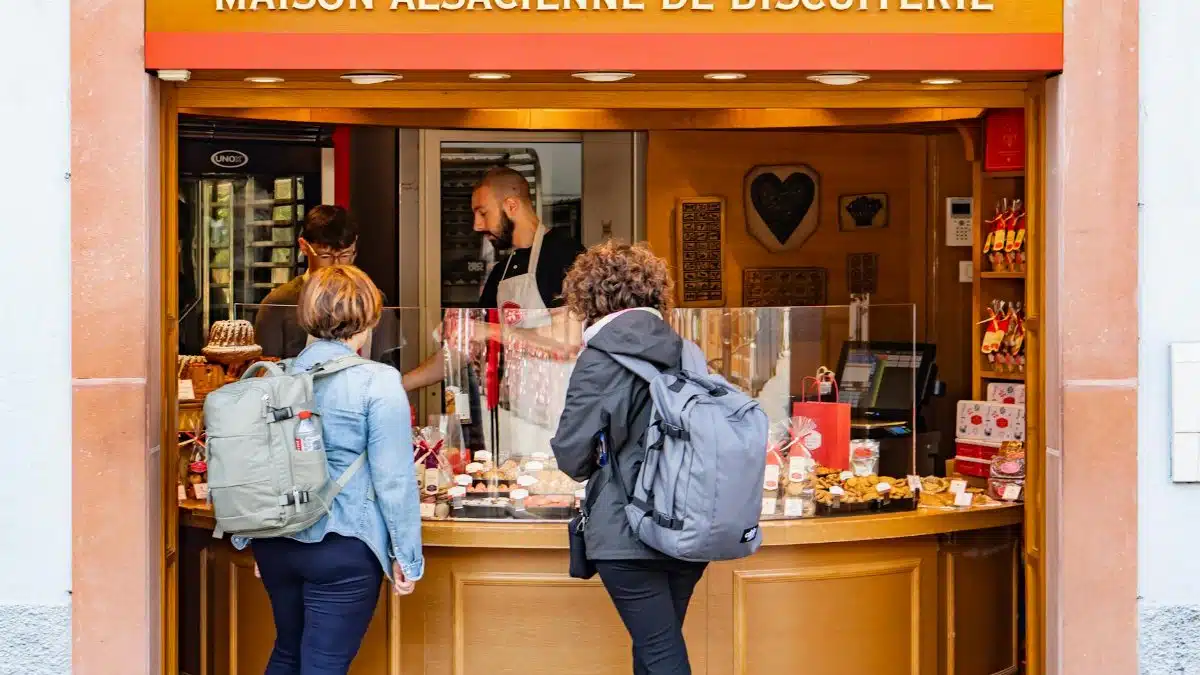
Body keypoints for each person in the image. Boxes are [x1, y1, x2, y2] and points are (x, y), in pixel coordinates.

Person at [244, 265, 423, 675]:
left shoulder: (273, 376)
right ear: (369, 319)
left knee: (287, 653)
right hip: (344, 544)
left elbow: (255, 464)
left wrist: (251, 535)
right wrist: (406, 557)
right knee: (323, 665)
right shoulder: (378, 381)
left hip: (276, 540)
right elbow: (394, 479)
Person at [549, 242, 706, 675]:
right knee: (656, 648)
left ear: (588, 297)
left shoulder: (599, 359)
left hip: (628, 529)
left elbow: (572, 456)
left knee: (659, 652)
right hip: (689, 522)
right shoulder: (686, 350)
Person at [402, 166, 584, 389]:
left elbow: (568, 340)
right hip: (519, 407)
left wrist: (488, 330)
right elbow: (466, 350)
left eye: (483, 213)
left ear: (511, 205)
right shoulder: (501, 271)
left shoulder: (566, 256)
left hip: (563, 408)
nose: (476, 225)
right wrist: (401, 384)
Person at [255, 205, 361, 360]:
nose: (336, 265)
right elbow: (265, 372)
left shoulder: (372, 300)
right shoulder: (278, 303)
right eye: (325, 256)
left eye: (345, 255)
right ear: (304, 246)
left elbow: (386, 362)